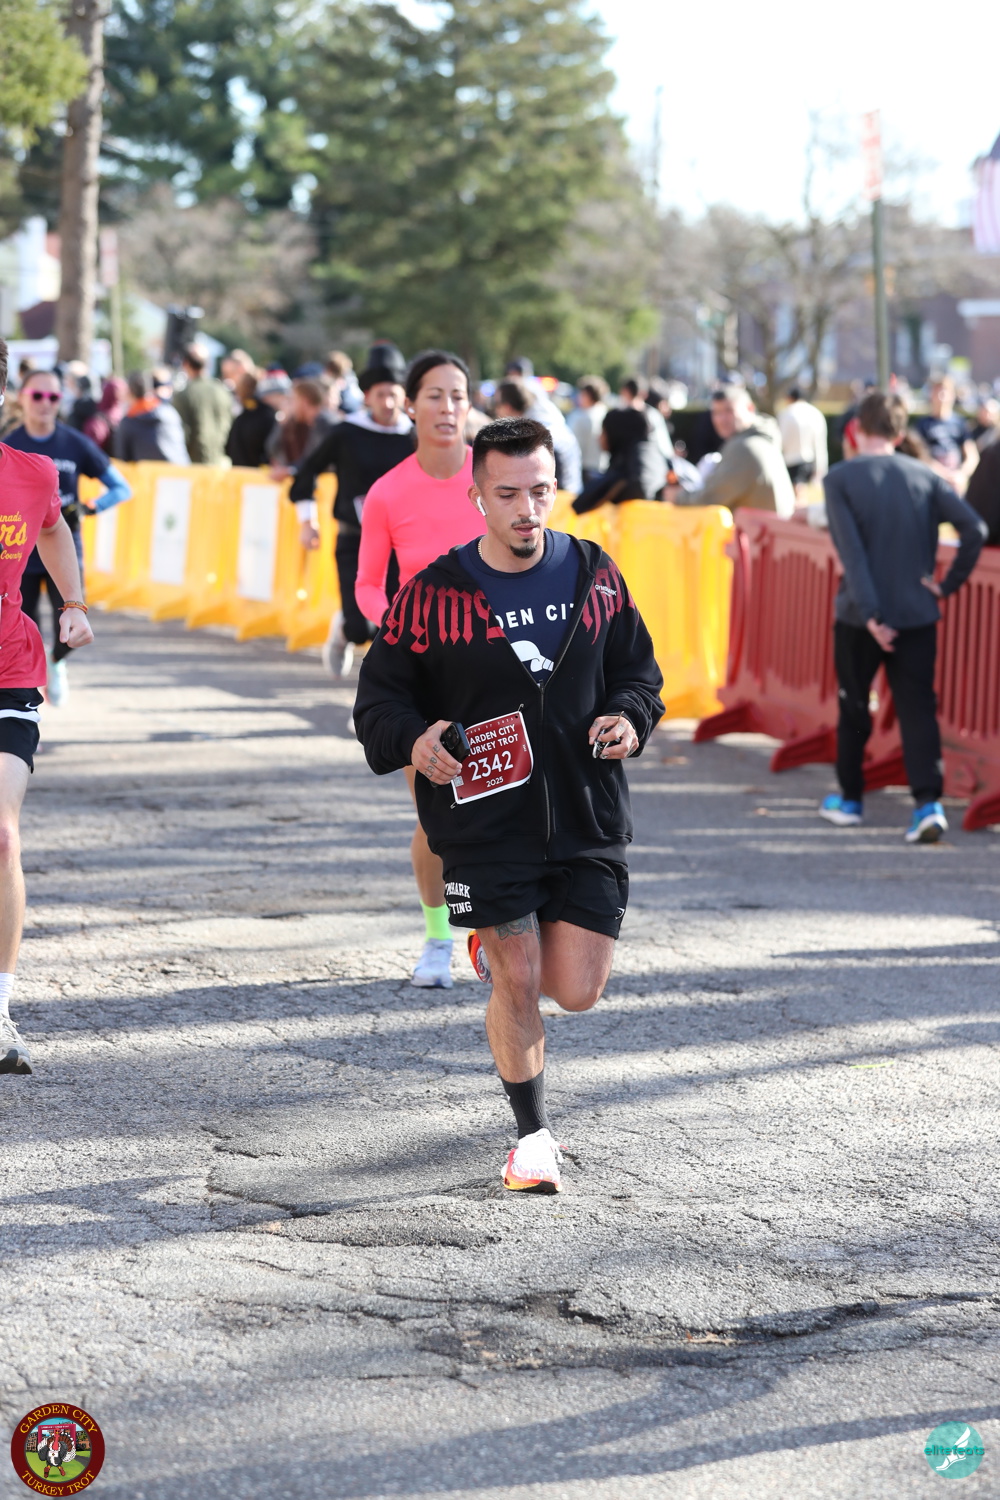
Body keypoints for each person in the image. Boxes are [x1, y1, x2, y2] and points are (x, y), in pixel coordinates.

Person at [354, 417, 664, 1191]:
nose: (527, 509)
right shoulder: (434, 596)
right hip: (484, 825)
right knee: (519, 977)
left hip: (587, 815)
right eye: (508, 495)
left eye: (540, 491)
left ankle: (496, 956)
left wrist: (630, 718)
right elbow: (379, 702)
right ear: (477, 498)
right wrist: (416, 739)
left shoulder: (595, 575)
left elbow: (639, 675)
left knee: (577, 990)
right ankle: (532, 1139)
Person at [355, 350, 486, 989]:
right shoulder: (388, 491)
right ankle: (438, 939)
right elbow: (367, 585)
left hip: (495, 668)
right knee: (437, 815)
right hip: (423, 678)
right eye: (434, 394)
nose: (447, 407)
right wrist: (399, 635)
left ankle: (496, 931)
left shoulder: (494, 479)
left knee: (504, 809)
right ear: (410, 405)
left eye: (457, 395)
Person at [819, 391, 985, 843]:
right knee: (918, 710)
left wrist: (872, 614)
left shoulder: (840, 479)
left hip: (859, 617)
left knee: (855, 704)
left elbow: (853, 557)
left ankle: (850, 800)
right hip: (916, 613)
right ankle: (927, 805)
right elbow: (974, 528)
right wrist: (946, 585)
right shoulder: (926, 476)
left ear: (857, 429)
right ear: (898, 432)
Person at [0, 337, 96, 1075]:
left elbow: (56, 528)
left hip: (9, 669)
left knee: (1, 837)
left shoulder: (31, 474)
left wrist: (72, 602)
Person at [4, 367, 130, 707]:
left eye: (54, 396)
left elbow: (122, 488)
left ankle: (56, 662)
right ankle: (26, 695)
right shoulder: (10, 445)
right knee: (23, 629)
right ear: (21, 398)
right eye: (37, 395)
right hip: (19, 556)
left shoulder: (75, 443)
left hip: (62, 547)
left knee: (73, 627)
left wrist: (89, 508)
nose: (45, 403)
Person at [289, 343, 413, 677]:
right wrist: (308, 521)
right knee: (361, 628)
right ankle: (344, 631)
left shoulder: (414, 437)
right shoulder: (346, 432)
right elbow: (306, 472)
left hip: (401, 545)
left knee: (395, 624)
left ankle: (386, 698)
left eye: (394, 394)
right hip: (355, 540)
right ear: (367, 396)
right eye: (380, 395)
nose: (388, 403)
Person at [672, 385, 795, 517]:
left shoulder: (744, 446)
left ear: (750, 408)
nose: (721, 419)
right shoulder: (762, 439)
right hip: (769, 526)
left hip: (761, 528)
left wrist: (677, 496)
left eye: (729, 411)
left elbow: (710, 498)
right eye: (716, 413)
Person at [573, 377, 667, 514]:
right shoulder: (653, 468)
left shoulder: (622, 477)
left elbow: (578, 507)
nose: (599, 438)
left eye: (602, 432)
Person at [493, 380, 582, 494]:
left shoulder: (534, 435)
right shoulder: (546, 416)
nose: (495, 410)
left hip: (557, 499)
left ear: (508, 407)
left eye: (496, 404)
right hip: (570, 493)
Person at [913, 376, 978, 491]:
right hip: (932, 481)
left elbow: (972, 456)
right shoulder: (922, 425)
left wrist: (961, 475)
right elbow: (920, 455)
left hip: (955, 482)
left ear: (952, 395)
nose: (941, 397)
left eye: (944, 392)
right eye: (937, 392)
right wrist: (942, 473)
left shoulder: (960, 423)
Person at [171, 345, 233, 464]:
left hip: (193, 465)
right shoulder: (223, 392)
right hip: (220, 464)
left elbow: (181, 435)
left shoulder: (183, 395)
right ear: (208, 363)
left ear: (185, 364)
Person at [266, 378, 336, 480]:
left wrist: (290, 470)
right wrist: (281, 424)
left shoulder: (324, 423)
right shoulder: (310, 423)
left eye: (293, 400)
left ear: (304, 401)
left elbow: (317, 459)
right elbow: (272, 449)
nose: (290, 405)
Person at [115, 371, 191, 465]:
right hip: (182, 472)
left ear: (130, 391)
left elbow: (122, 460)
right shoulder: (170, 412)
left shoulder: (128, 423)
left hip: (149, 474)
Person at [779, 385, 829, 493]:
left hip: (790, 459)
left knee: (795, 492)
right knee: (801, 490)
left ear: (790, 397)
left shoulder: (787, 413)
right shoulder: (815, 413)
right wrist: (820, 466)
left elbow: (781, 439)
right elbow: (820, 443)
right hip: (808, 459)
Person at [567, 376, 609, 485]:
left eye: (581, 394)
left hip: (583, 467)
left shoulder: (581, 416)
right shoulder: (604, 413)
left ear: (588, 396)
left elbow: (571, 444)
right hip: (601, 467)